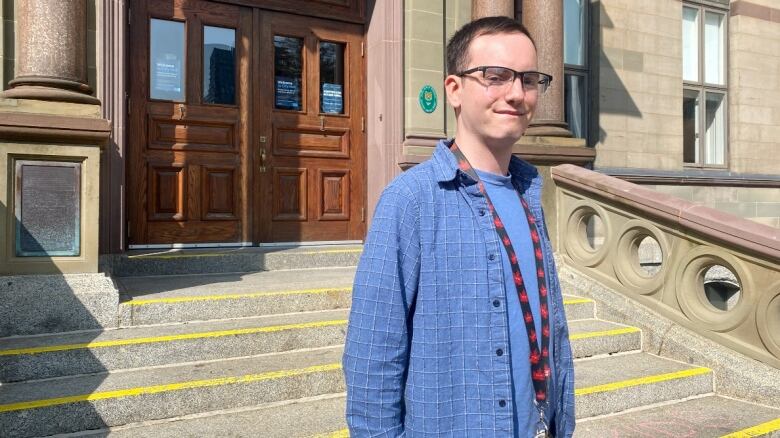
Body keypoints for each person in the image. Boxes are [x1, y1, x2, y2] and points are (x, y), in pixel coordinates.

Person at [343, 16, 575, 438]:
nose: (515, 94)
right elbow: (373, 355)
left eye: (528, 80)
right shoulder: (410, 201)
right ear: (454, 89)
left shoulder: (530, 196)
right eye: (495, 76)